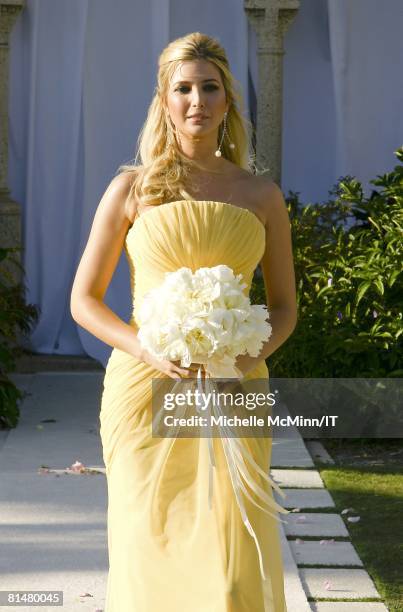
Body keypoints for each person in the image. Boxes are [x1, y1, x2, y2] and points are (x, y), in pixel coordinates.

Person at [70, 31, 297, 612]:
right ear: (165, 100)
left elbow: (283, 307)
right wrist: (145, 349)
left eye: (210, 87)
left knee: (227, 559)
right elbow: (85, 301)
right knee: (149, 545)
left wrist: (244, 358)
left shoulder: (261, 195)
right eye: (184, 88)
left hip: (235, 387)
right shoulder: (133, 188)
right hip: (144, 390)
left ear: (228, 102)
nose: (197, 100)